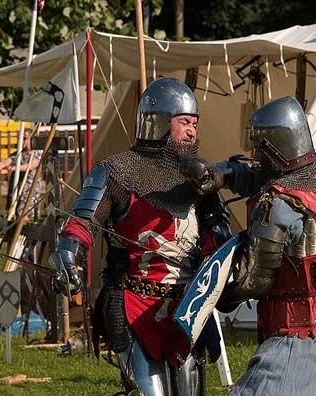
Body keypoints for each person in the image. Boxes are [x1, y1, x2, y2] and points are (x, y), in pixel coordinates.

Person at [51, 77, 231, 395]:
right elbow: (83, 221)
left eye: (195, 123)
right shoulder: (115, 172)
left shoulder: (200, 181)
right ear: (160, 123)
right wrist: (68, 251)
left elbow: (216, 241)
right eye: (184, 122)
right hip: (133, 303)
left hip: (185, 310)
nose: (192, 131)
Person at [202, 96, 316, 395]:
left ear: (275, 147)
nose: (257, 156)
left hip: (301, 333)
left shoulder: (277, 204)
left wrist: (219, 294)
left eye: (261, 149)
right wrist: (222, 174)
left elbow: (253, 280)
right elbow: (259, 175)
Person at [0, 130, 42, 219]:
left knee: (24, 214)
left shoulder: (37, 153)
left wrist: (14, 168)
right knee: (14, 214)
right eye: (20, 139)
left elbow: (31, 165)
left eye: (25, 138)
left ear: (31, 139)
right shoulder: (18, 154)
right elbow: (6, 162)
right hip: (17, 190)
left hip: (30, 190)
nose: (22, 141)